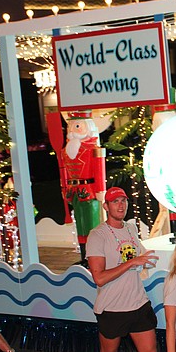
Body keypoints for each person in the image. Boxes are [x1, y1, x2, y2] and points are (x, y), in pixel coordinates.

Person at [85, 186, 176, 352]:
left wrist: (142, 258)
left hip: (137, 303)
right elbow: (99, 278)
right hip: (112, 309)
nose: (120, 205)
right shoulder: (97, 236)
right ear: (106, 206)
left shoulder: (129, 228)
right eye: (115, 202)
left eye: (123, 201)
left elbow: (134, 259)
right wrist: (132, 262)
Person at [61, 111, 106, 261]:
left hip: (89, 191)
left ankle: (95, 257)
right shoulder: (67, 151)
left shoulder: (93, 149)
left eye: (77, 126)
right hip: (74, 192)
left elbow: (99, 169)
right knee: (80, 224)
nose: (72, 130)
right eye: (70, 127)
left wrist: (101, 190)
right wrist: (65, 188)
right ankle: (84, 256)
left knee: (92, 225)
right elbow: (65, 171)